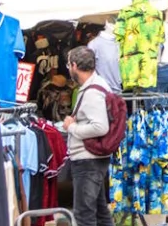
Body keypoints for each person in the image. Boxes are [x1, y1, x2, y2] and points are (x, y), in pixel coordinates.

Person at [61, 46, 116, 226]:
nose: (68, 68)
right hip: (93, 158)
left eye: (68, 65)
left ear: (74, 65)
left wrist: (72, 127)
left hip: (88, 160)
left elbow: (100, 127)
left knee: (84, 214)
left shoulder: (92, 91)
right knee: (100, 211)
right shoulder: (95, 85)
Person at [86, 25, 121, 91]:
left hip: (126, 92)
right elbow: (88, 70)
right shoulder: (94, 44)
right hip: (105, 92)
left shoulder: (121, 42)